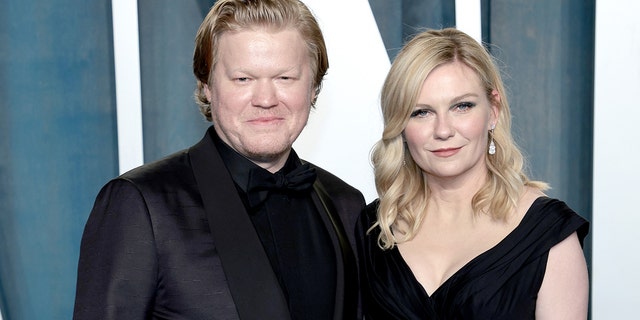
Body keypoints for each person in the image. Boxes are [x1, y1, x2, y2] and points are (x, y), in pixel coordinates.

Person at [73, 0, 365, 319]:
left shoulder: (347, 205)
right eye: (243, 79)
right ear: (206, 86)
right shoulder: (141, 205)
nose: (265, 99)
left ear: (313, 87)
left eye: (285, 78)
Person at [355, 28, 589, 319]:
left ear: (493, 110)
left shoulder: (548, 234)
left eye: (462, 106)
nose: (443, 130)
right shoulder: (374, 227)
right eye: (421, 112)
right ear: (400, 125)